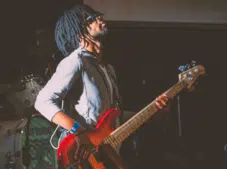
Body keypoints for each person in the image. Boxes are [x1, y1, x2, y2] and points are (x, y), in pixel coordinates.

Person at [34, 3, 170, 168]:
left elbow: (113, 116)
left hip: (108, 154)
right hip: (83, 156)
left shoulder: (107, 68)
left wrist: (152, 111)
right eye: (90, 18)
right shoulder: (76, 61)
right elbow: (42, 101)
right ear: (79, 32)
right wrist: (79, 130)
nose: (99, 17)